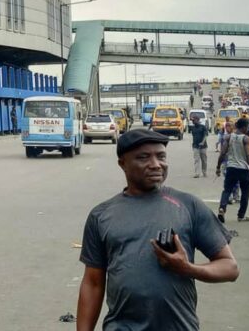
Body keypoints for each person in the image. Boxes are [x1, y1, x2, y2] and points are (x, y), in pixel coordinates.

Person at [77, 128, 239, 331]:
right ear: (123, 164)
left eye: (161, 156)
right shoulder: (101, 215)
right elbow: (93, 283)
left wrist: (187, 268)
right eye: (143, 157)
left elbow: (230, 268)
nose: (155, 164)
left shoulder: (189, 206)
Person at [216, 118, 249, 223]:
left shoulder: (228, 137)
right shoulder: (246, 139)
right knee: (245, 193)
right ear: (243, 127)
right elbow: (248, 156)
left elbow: (222, 153)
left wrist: (218, 167)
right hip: (243, 169)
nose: (248, 129)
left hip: (231, 168)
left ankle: (222, 209)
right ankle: (241, 216)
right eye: (247, 127)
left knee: (227, 190)